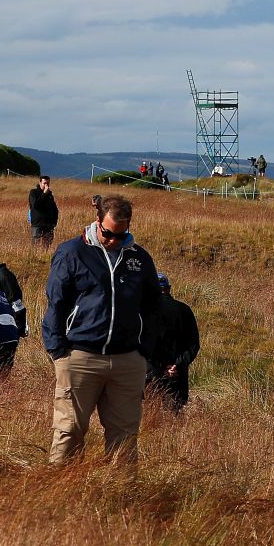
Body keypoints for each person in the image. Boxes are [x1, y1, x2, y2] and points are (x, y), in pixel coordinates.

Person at [43, 194, 161, 465]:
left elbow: (155, 305)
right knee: (69, 431)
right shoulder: (71, 252)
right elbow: (56, 302)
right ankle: (58, 497)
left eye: (121, 235)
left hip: (127, 360)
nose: (113, 240)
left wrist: (144, 351)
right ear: (97, 221)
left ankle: (120, 498)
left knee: (125, 437)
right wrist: (58, 351)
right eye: (108, 233)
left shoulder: (139, 259)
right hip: (79, 356)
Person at [146, 272, 200, 412]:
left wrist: (161, 365)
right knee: (173, 418)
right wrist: (177, 365)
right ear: (168, 289)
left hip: (151, 374)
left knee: (149, 419)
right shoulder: (184, 310)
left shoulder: (144, 311)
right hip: (177, 376)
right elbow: (193, 344)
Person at [29, 175, 59, 249]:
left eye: (48, 183)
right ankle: (35, 258)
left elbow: (54, 209)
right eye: (44, 183)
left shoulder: (50, 195)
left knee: (47, 245)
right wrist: (44, 194)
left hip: (48, 224)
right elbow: (35, 205)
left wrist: (54, 222)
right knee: (35, 245)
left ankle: (44, 257)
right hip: (37, 224)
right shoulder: (33, 193)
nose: (46, 185)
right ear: (40, 183)